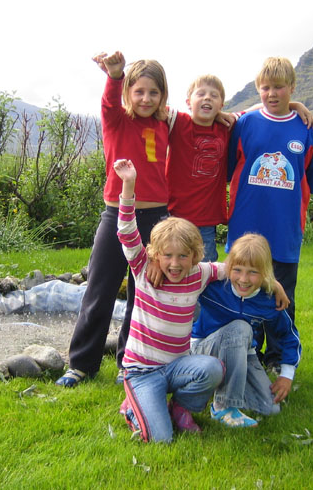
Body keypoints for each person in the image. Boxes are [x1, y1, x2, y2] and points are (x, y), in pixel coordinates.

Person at [56, 52, 171, 387]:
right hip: (116, 216)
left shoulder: (167, 123)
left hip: (156, 220)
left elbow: (204, 118)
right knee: (100, 289)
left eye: (154, 92)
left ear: (163, 95)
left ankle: (129, 362)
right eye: (139, 92)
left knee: (143, 293)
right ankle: (81, 364)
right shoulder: (116, 120)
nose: (146, 99)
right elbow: (109, 99)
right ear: (128, 94)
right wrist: (116, 73)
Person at [113, 158, 226, 443]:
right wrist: (128, 184)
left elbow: (233, 269)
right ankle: (133, 408)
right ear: (155, 255)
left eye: (183, 256)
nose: (175, 264)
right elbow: (127, 231)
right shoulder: (143, 270)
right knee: (162, 439)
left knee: (213, 369)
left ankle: (181, 408)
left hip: (177, 366)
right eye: (168, 256)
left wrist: (270, 281)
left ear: (195, 256)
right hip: (142, 372)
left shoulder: (199, 274)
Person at [226, 56, 313, 370]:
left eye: (279, 87)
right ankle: (247, 356)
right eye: (265, 87)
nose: (272, 93)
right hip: (245, 229)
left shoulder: (306, 129)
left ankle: (279, 358)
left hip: (285, 231)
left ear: (291, 88)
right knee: (244, 294)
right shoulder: (245, 124)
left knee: (282, 299)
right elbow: (230, 168)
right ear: (258, 89)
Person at [166, 75, 313, 262]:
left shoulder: (226, 126)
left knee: (204, 274)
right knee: (170, 267)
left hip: (206, 222)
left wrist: (294, 105)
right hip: (173, 215)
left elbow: (259, 108)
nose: (207, 98)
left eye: (214, 95)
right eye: (201, 94)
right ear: (188, 101)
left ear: (222, 105)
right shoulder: (177, 122)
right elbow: (153, 106)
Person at [191, 233, 301, 427]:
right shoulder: (213, 286)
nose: (243, 279)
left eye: (253, 272)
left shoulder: (268, 300)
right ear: (228, 268)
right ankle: (223, 406)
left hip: (244, 353)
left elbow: (288, 336)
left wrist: (286, 375)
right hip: (204, 349)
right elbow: (181, 274)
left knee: (270, 407)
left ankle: (222, 387)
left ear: (265, 272)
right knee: (240, 329)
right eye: (238, 270)